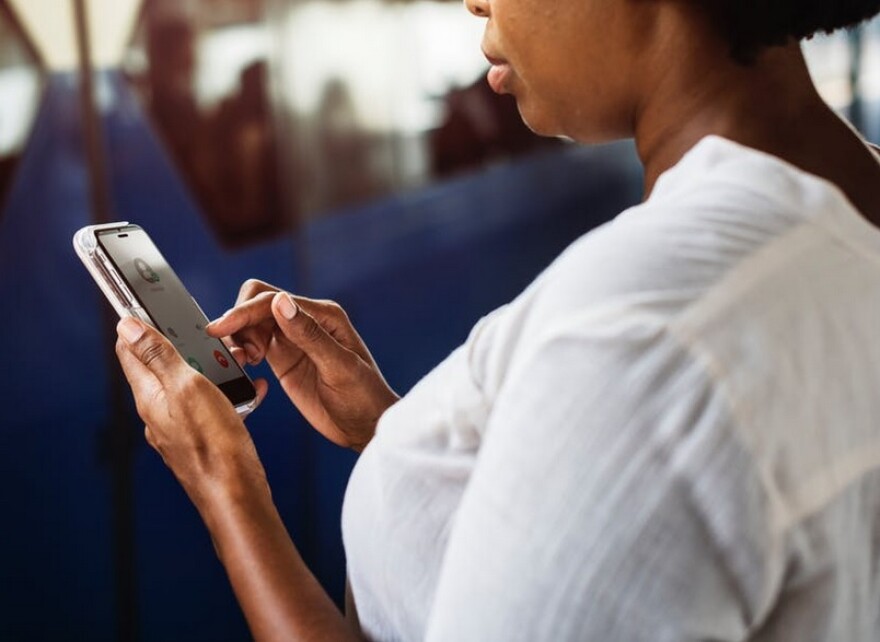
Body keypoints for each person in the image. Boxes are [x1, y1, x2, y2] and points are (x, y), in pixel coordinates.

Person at [113, 0, 880, 639]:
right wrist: (398, 436)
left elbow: (647, 412)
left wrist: (222, 481)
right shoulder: (836, 215)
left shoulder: (645, 330)